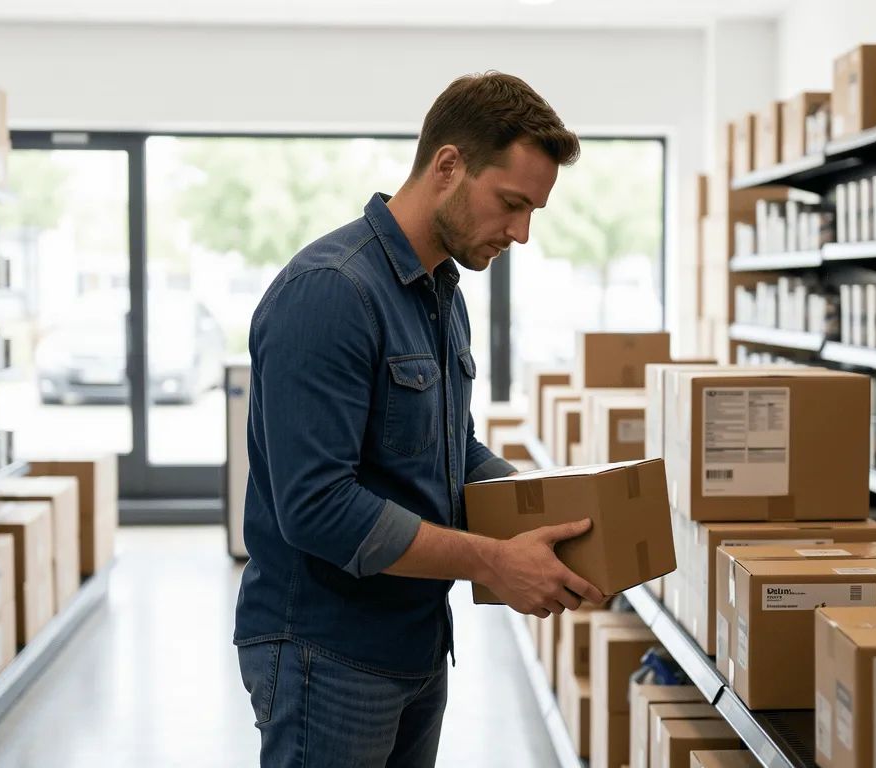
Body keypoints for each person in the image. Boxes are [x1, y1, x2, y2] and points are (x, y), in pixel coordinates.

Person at [234, 72, 605, 767]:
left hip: (415, 644)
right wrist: (496, 560)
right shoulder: (331, 292)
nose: (522, 233)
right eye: (512, 204)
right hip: (325, 653)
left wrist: (549, 512)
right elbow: (317, 507)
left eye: (534, 213)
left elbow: (449, 451)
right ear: (447, 166)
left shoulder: (440, 293)